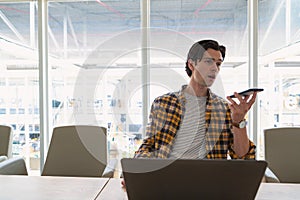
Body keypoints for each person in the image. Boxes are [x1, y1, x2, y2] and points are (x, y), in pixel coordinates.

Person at [133, 39, 257, 160]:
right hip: (170, 177)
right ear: (191, 64)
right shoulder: (163, 104)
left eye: (218, 64)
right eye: (209, 62)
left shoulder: (224, 109)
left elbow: (244, 158)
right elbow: (148, 147)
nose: (215, 68)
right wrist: (135, 173)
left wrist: (239, 121)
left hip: (209, 178)